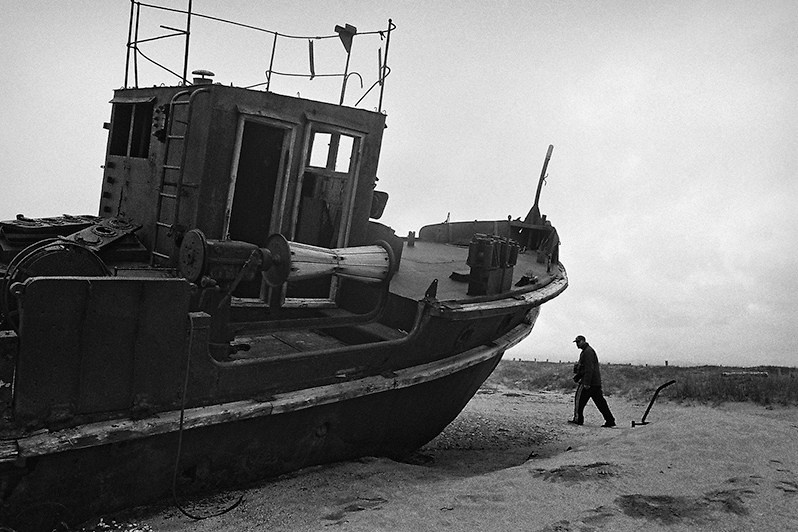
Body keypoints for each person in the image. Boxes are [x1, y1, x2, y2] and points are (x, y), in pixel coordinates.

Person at [569, 335, 616, 427]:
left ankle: (578, 419)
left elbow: (589, 368)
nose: (577, 344)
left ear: (583, 341)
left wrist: (586, 382)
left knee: (579, 400)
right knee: (600, 402)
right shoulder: (587, 351)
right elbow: (585, 368)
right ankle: (610, 420)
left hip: (589, 383)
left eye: (578, 342)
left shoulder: (587, 352)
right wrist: (577, 376)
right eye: (576, 342)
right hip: (595, 383)